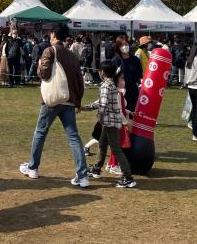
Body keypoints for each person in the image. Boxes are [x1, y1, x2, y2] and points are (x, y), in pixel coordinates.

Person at [19, 23, 89, 188]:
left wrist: (37, 67)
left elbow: (44, 74)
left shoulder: (49, 51)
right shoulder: (72, 55)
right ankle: (83, 175)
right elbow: (79, 80)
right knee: (73, 137)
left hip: (51, 100)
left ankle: (33, 167)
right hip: (69, 100)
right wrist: (78, 101)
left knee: (40, 133)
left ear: (53, 35)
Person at [82, 61, 137, 188]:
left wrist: (99, 117)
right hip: (110, 122)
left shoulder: (106, 86)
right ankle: (96, 169)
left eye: (100, 70)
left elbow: (103, 104)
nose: (99, 72)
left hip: (110, 123)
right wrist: (84, 107)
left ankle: (128, 177)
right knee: (102, 145)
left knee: (116, 150)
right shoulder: (111, 84)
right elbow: (100, 102)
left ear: (103, 71)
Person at [113, 35, 142, 111]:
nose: (124, 47)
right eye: (122, 45)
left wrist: (141, 80)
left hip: (133, 92)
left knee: (133, 115)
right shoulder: (115, 61)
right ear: (118, 47)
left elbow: (139, 76)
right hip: (120, 92)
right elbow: (112, 77)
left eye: (126, 44)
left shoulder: (135, 60)